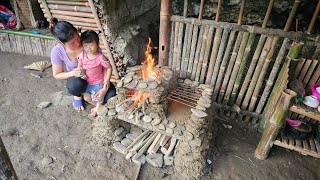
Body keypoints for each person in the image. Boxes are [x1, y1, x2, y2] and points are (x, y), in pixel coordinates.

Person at [50, 18, 116, 111]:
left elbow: (105, 66)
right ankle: (78, 95)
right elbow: (57, 75)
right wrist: (73, 73)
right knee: (75, 85)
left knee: (111, 96)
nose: (78, 43)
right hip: (80, 80)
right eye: (72, 43)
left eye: (77, 38)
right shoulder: (57, 51)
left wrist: (106, 84)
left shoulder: (88, 42)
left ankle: (90, 96)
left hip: (97, 79)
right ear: (61, 43)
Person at [78, 30, 112, 117]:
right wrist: (81, 72)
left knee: (99, 96)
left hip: (98, 83)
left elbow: (108, 67)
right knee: (86, 97)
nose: (88, 48)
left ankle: (97, 108)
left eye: (91, 45)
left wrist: (106, 80)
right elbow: (80, 66)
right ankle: (99, 106)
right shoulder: (82, 55)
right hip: (87, 83)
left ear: (97, 44)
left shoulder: (100, 57)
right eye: (85, 45)